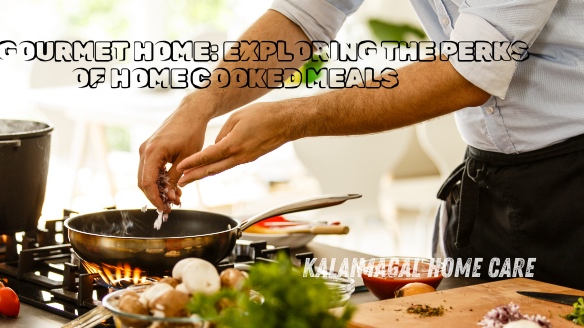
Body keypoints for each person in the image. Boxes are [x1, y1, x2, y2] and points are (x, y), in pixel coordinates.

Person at [138, 0, 584, 288]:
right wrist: (198, 105)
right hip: (485, 186)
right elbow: (304, 15)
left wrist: (292, 118)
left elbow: (469, 72)